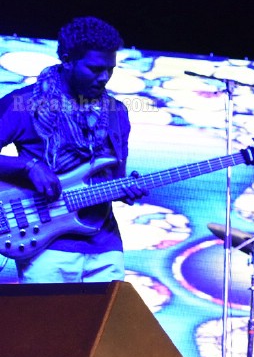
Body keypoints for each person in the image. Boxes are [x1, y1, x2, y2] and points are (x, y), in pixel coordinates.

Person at [0, 16, 146, 283]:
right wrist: (28, 165)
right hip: (46, 245)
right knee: (47, 326)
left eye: (110, 69)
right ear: (67, 60)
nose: (104, 78)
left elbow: (115, 178)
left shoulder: (117, 113)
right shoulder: (22, 103)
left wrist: (127, 189)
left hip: (106, 245)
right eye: (94, 68)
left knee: (108, 325)